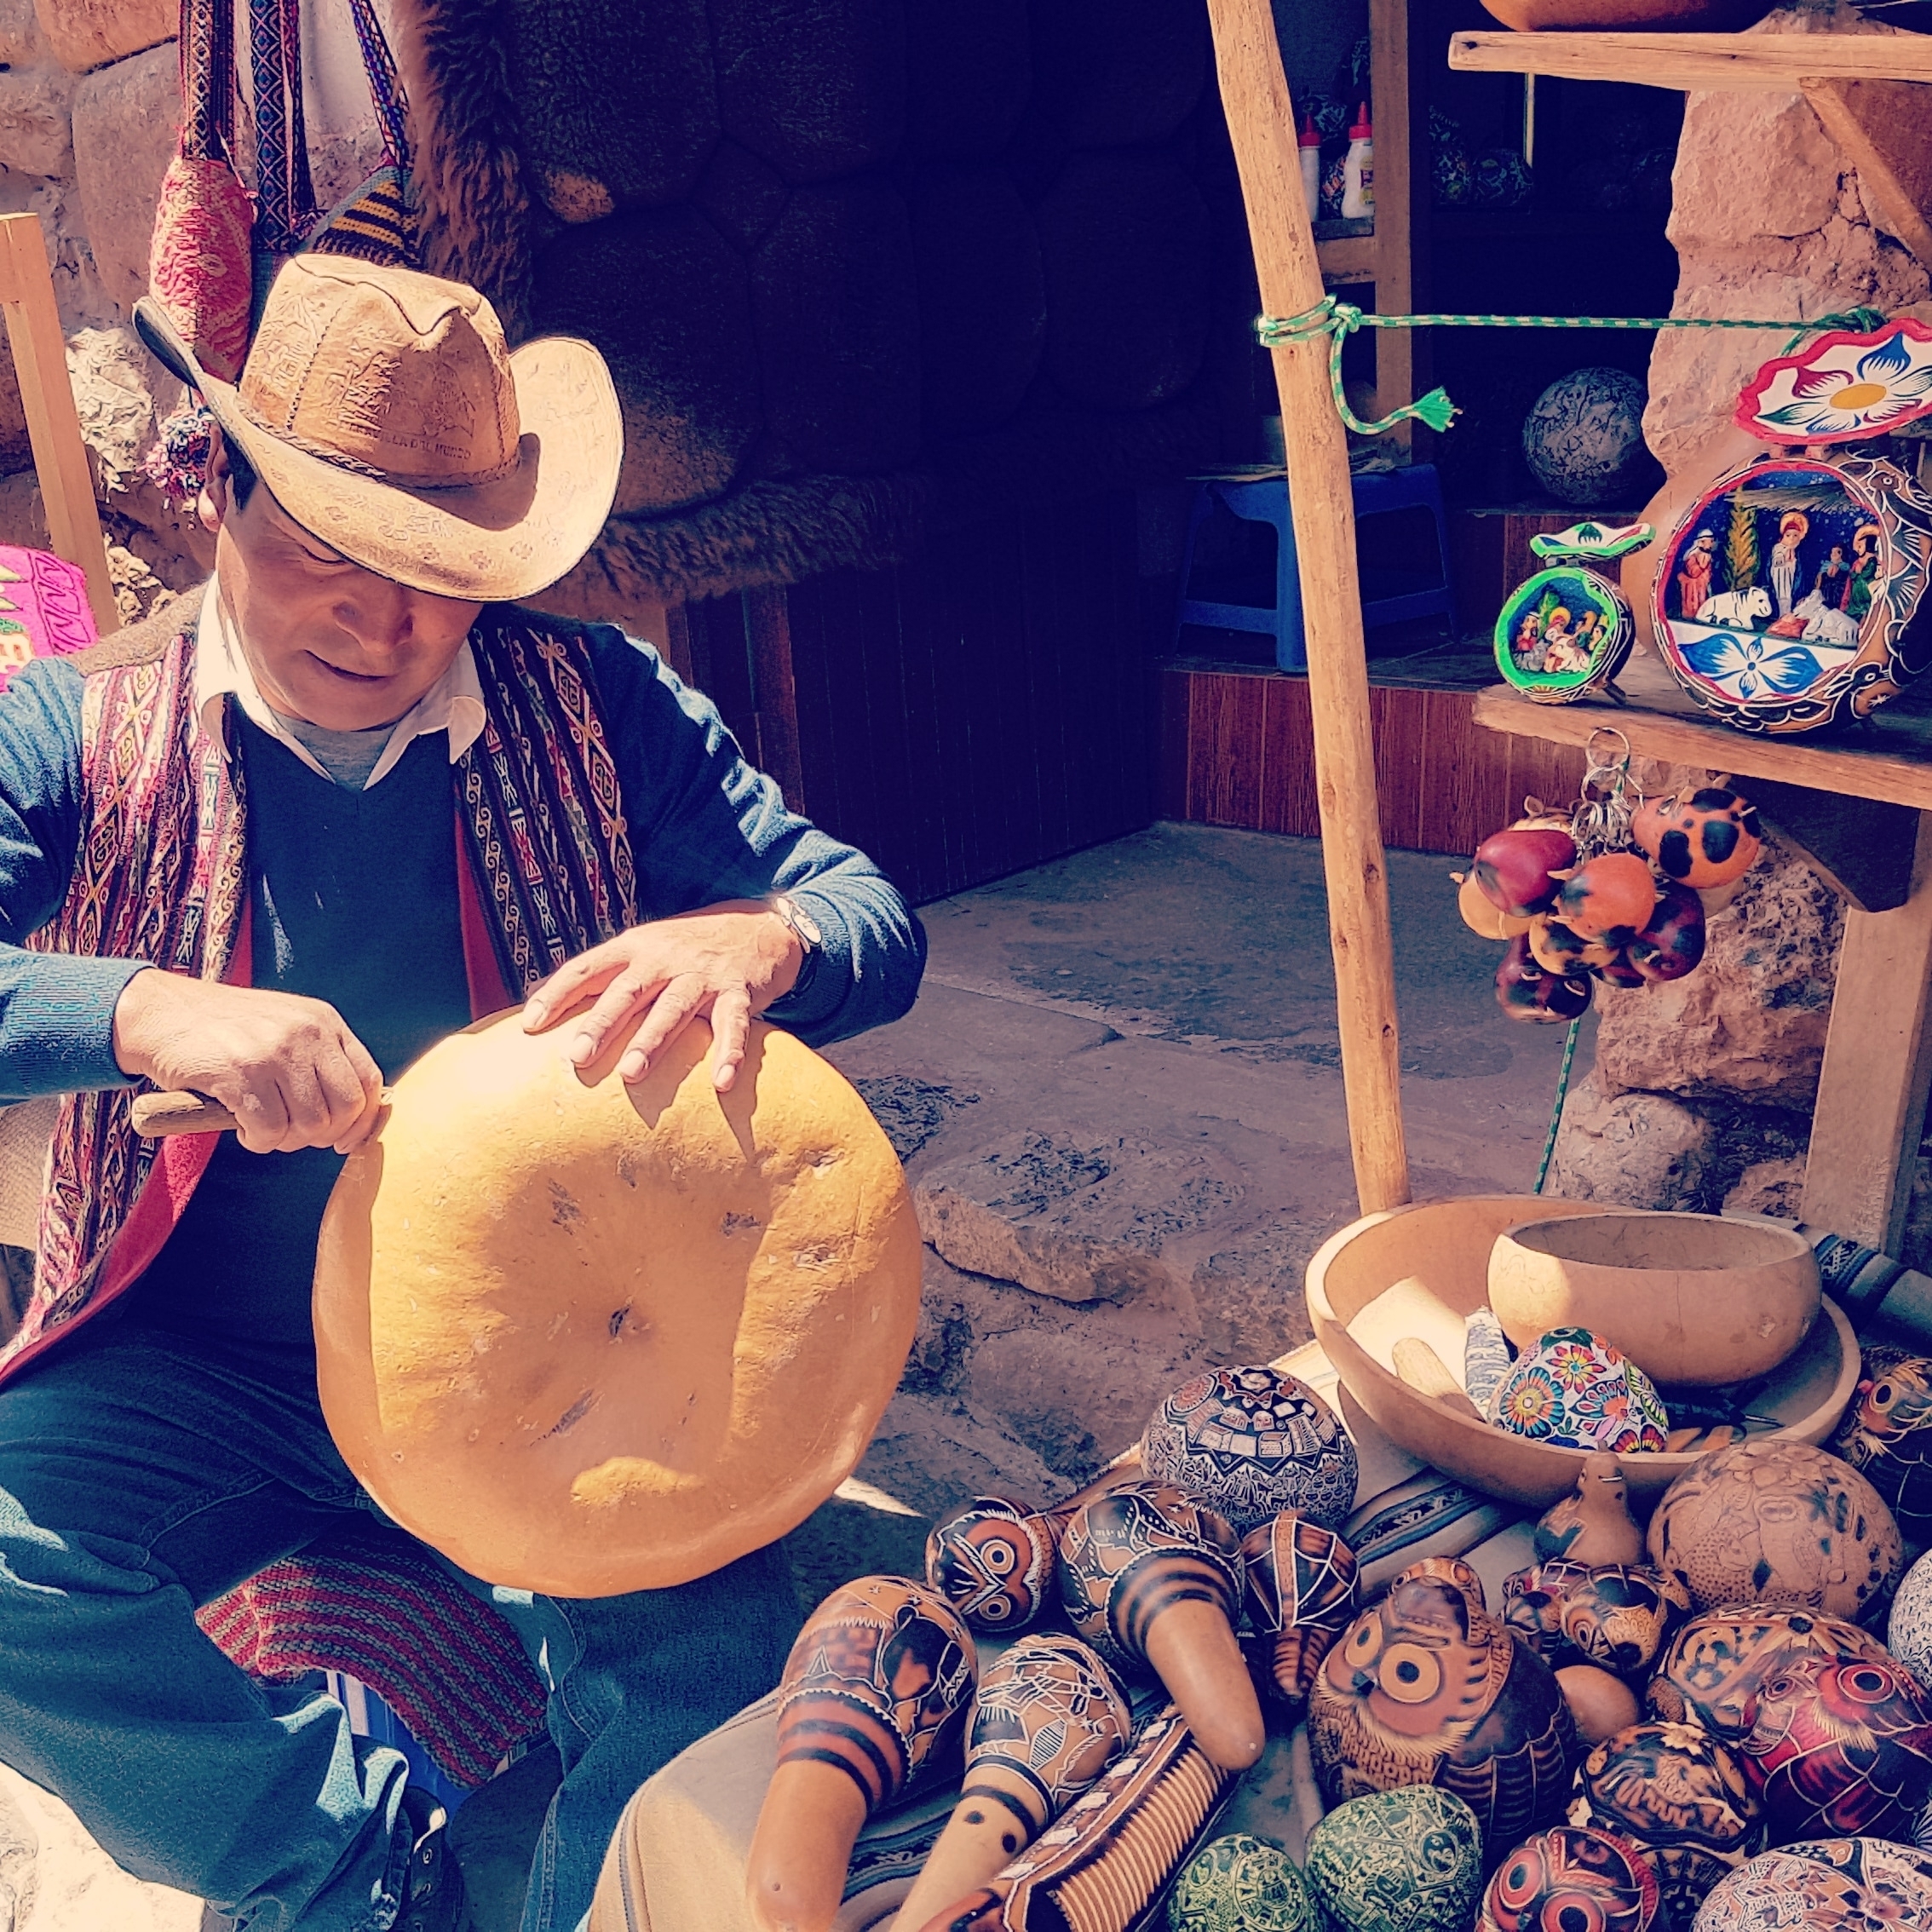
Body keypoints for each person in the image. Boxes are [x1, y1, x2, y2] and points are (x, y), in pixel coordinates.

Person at [0, 257, 925, 1932]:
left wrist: (762, 940)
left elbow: (868, 915)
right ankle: (334, 1861)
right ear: (217, 490)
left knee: (694, 1708)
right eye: (324, 553)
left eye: (439, 575)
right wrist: (136, 1010)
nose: (384, 622)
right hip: (204, 1367)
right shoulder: (71, 736)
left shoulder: (606, 709)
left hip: (547, 1377)